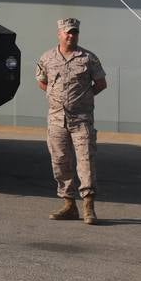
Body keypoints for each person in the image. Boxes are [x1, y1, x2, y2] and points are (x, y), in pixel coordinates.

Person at [36, 17, 107, 224]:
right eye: (67, 32)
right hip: (57, 119)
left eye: (74, 32)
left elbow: (101, 83)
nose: (71, 35)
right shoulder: (47, 57)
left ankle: (88, 206)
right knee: (59, 161)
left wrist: (82, 99)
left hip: (81, 119)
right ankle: (69, 205)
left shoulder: (88, 58)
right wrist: (57, 99)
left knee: (85, 161)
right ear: (59, 34)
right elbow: (42, 82)